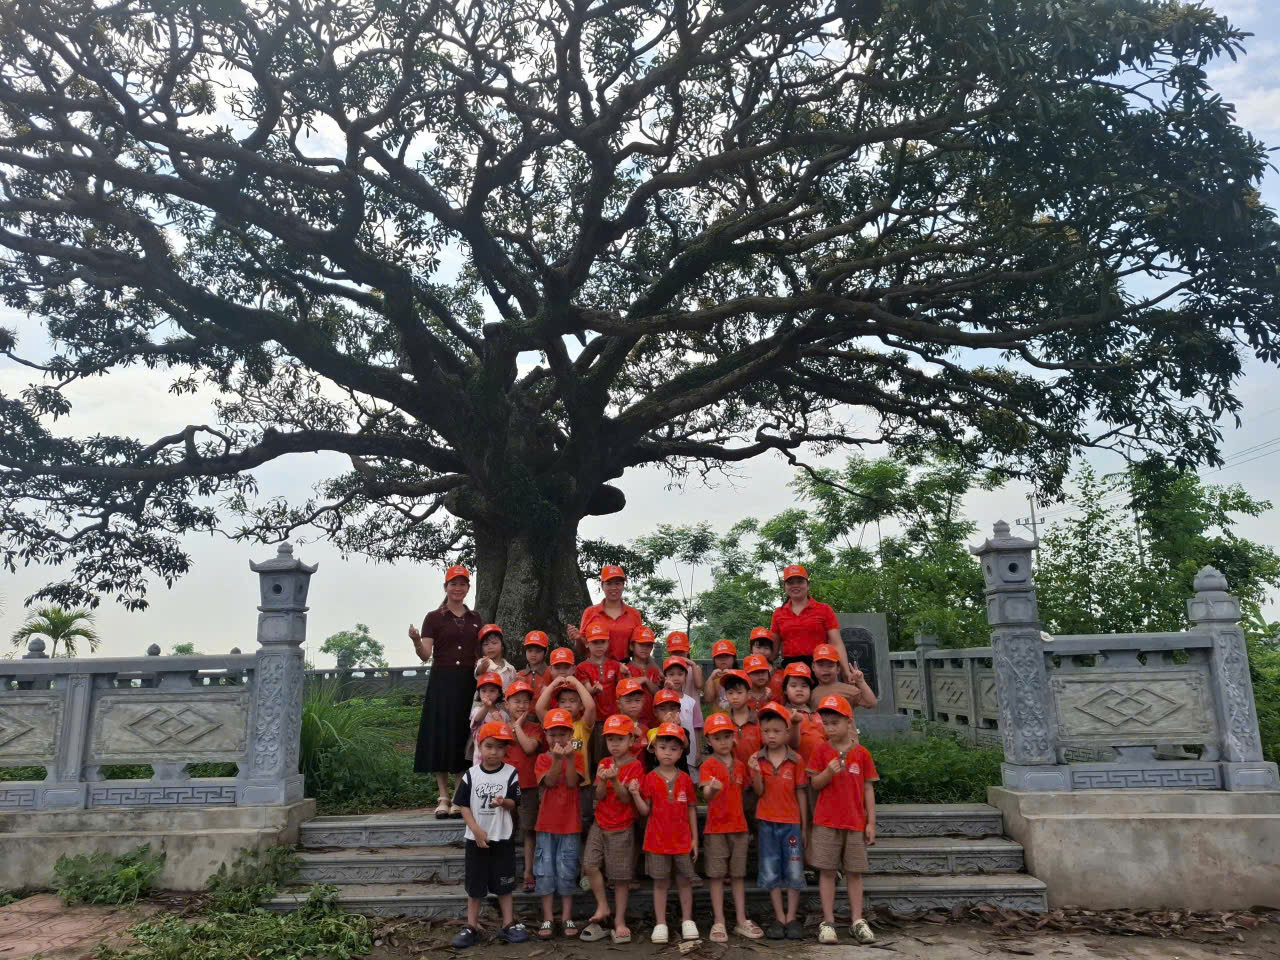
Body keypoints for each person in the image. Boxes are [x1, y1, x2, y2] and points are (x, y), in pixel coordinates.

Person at [409, 564, 484, 819]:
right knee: (440, 736)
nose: (458, 588)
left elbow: (481, 653)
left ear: (468, 588)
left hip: (468, 683)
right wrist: (416, 640)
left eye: (462, 584)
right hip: (442, 681)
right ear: (446, 587)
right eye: (453, 584)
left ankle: (458, 795)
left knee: (464, 735)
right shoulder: (434, 617)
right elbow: (425, 654)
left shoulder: (476, 618)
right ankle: (442, 796)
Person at [450, 720, 529, 947]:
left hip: (501, 837)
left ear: (506, 750)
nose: (494, 752)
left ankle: (508, 923)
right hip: (476, 839)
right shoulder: (471, 775)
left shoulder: (510, 773)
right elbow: (463, 805)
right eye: (489, 746)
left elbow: (514, 803)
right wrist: (475, 830)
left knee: (505, 884)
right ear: (480, 745)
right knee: (475, 886)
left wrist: (504, 802)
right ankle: (471, 926)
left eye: (500, 747)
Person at [807, 695, 878, 945]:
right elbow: (814, 784)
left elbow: (868, 788)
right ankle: (828, 922)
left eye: (835, 722)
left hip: (855, 823)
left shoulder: (862, 754)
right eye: (826, 723)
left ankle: (857, 920)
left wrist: (871, 823)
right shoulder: (820, 751)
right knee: (827, 872)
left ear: (849, 722)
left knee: (854, 873)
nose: (830, 728)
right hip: (826, 822)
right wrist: (828, 772)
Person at [629, 722, 700, 944]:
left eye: (673, 748)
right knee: (660, 882)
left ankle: (687, 920)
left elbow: (691, 809)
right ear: (654, 749)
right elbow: (645, 811)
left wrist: (695, 839)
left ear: (681, 753)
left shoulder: (685, 779)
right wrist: (635, 794)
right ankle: (661, 923)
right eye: (663, 747)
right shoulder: (649, 778)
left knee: (685, 881)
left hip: (682, 841)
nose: (667, 752)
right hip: (657, 841)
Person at [699, 713, 763, 942]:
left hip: (739, 827)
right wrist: (713, 789)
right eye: (717, 738)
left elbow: (753, 790)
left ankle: (741, 920)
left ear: (733, 737)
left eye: (727, 736)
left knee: (738, 875)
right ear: (709, 740)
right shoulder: (708, 765)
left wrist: (756, 771)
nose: (723, 742)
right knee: (716, 876)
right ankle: (719, 921)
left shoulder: (740, 766)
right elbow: (706, 794)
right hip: (716, 828)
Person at [748, 701, 809, 940]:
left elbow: (801, 793)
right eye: (766, 731)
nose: (771, 736)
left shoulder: (796, 760)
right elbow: (759, 791)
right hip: (766, 822)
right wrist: (755, 771)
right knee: (770, 869)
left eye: (776, 731)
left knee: (794, 869)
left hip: (791, 823)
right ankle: (779, 916)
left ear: (787, 732)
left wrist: (804, 826)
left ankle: (792, 917)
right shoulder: (758, 759)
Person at [581, 714, 644, 944]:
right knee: (590, 864)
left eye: (619, 739)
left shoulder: (635, 765)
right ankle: (603, 906)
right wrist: (602, 780)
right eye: (610, 740)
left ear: (631, 740)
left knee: (620, 878)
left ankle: (619, 921)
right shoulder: (604, 763)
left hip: (622, 826)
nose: (614, 744)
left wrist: (615, 780)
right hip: (601, 822)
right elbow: (599, 795)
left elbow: (626, 799)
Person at [534, 708, 587, 939]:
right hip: (546, 824)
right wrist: (557, 759)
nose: (558, 739)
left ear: (571, 735)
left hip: (570, 824)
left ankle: (566, 916)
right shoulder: (542, 759)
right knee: (545, 871)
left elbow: (573, 782)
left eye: (563, 734)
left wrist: (570, 758)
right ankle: (548, 917)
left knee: (567, 870)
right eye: (553, 734)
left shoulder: (578, 757)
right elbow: (550, 782)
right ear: (545, 736)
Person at [769, 564, 857, 681]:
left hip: (821, 668)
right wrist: (762, 664)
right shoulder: (778, 613)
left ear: (808, 585)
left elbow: (836, 643)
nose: (795, 585)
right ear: (785, 586)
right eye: (790, 583)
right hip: (791, 671)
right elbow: (773, 649)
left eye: (800, 582)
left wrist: (846, 672)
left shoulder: (824, 609)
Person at [504, 679, 545, 894]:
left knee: (529, 831)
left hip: (528, 786)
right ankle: (506, 871)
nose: (521, 705)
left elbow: (529, 748)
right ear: (506, 704)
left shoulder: (535, 728)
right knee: (506, 831)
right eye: (516, 701)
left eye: (525, 702)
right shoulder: (500, 728)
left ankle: (529, 872)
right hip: (505, 789)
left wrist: (517, 727)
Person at [570, 565, 643, 663]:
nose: (613, 587)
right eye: (608, 583)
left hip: (625, 667)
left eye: (618, 583)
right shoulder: (590, 612)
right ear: (602, 586)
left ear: (623, 586)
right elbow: (581, 651)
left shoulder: (634, 614)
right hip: (596, 668)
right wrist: (578, 639)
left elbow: (640, 647)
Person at [576, 622, 623, 769]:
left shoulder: (616, 665)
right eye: (595, 642)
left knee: (611, 758)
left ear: (608, 643)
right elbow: (586, 691)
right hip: (592, 720)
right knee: (591, 758)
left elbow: (622, 690)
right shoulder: (582, 667)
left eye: (602, 642)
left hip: (612, 718)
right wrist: (593, 690)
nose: (599, 646)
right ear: (587, 644)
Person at [661, 656, 701, 778]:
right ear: (665, 677)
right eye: (671, 674)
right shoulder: (662, 698)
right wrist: (666, 689)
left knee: (689, 779)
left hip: (689, 750)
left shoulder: (691, 702)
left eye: (680, 674)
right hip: (668, 751)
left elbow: (697, 728)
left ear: (686, 676)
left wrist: (698, 750)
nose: (676, 678)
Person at [665, 632, 704, 748]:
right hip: (675, 711)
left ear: (688, 651)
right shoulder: (668, 670)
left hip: (693, 710)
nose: (679, 655)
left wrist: (692, 664)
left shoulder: (694, 668)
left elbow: (699, 684)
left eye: (681, 652)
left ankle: (697, 753)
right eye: (675, 652)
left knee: (694, 739)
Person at [809, 644, 877, 711]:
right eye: (820, 665)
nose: (825, 669)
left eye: (830, 666)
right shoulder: (810, 694)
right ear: (813, 667)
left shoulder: (848, 690)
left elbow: (871, 703)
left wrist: (860, 681)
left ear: (838, 669)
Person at [468, 671, 512, 764]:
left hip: (500, 761)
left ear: (499, 693)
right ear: (479, 693)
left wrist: (500, 721)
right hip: (480, 762)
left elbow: (509, 735)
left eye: (492, 691)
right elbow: (477, 719)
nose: (487, 694)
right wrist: (486, 707)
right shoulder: (477, 710)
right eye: (483, 691)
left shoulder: (503, 715)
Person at [624, 625, 662, 726]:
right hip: (633, 721)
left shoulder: (654, 670)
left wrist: (646, 680)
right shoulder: (626, 669)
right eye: (641, 644)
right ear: (631, 646)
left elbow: (658, 693)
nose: (645, 648)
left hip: (654, 720)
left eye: (648, 645)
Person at [473, 624, 515, 698]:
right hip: (483, 703)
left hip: (504, 704)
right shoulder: (482, 662)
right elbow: (478, 672)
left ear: (502, 646)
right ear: (481, 649)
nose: (490, 647)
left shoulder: (510, 669)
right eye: (486, 644)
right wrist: (483, 667)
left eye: (494, 643)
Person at [702, 639, 739, 709]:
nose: (723, 659)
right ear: (714, 660)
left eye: (727, 655)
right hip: (718, 715)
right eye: (719, 656)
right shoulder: (713, 678)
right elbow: (708, 699)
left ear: (734, 658)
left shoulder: (741, 676)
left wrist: (732, 675)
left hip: (737, 715)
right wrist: (711, 678)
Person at [517, 630, 551, 698]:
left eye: (538, 651)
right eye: (530, 651)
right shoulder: (519, 675)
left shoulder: (551, 672)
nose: (533, 655)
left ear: (546, 652)